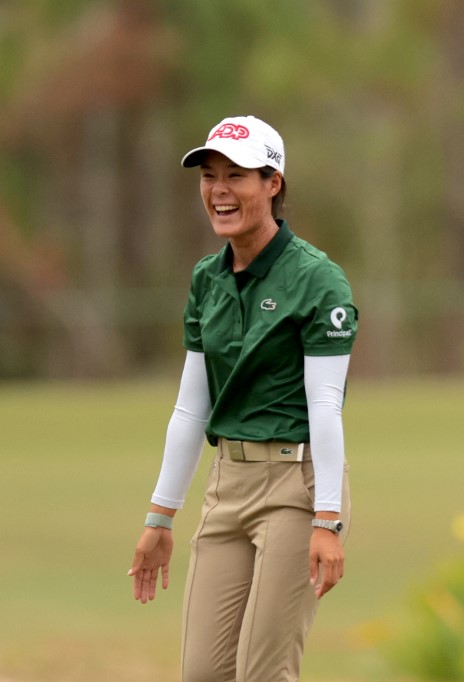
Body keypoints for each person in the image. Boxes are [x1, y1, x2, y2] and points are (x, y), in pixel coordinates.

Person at [127, 115, 358, 681]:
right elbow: (191, 408)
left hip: (295, 487)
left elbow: (326, 407)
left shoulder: (317, 280)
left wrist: (328, 520)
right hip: (226, 484)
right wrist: (161, 516)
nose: (219, 190)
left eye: (237, 175)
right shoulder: (207, 279)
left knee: (263, 673)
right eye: (209, 176)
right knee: (203, 674)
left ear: (272, 183)